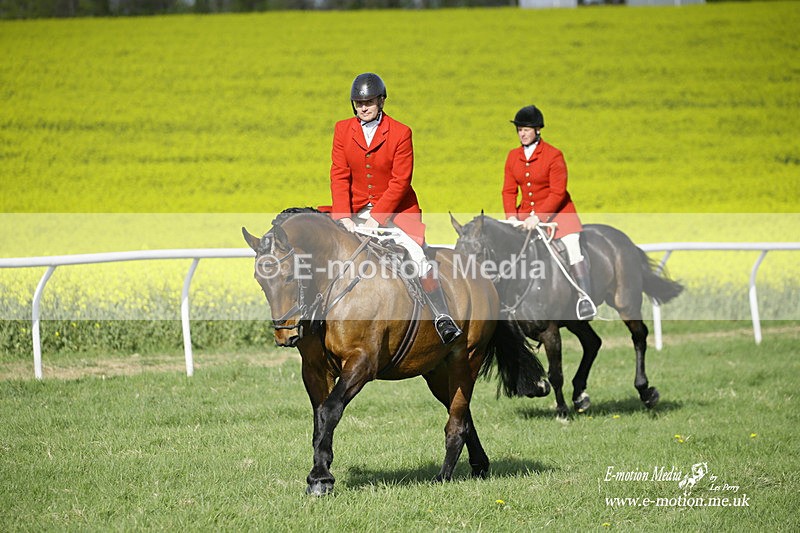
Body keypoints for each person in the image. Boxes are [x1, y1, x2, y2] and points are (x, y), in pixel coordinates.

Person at [328, 72, 462, 343]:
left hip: (395, 213)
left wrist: (377, 218)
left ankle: (441, 315)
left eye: (369, 102)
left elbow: (401, 181)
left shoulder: (401, 132)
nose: (363, 107)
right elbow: (339, 174)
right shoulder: (343, 129)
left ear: (381, 101)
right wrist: (343, 216)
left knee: (417, 256)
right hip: (352, 210)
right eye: (358, 102)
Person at [502, 105, 596, 320]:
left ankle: (584, 298)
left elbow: (558, 192)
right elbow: (508, 190)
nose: (522, 134)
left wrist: (539, 217)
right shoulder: (512, 156)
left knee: (573, 247)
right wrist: (512, 217)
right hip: (525, 216)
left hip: (560, 216)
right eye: (519, 130)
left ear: (537, 130)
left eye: (526, 129)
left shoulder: (553, 155)